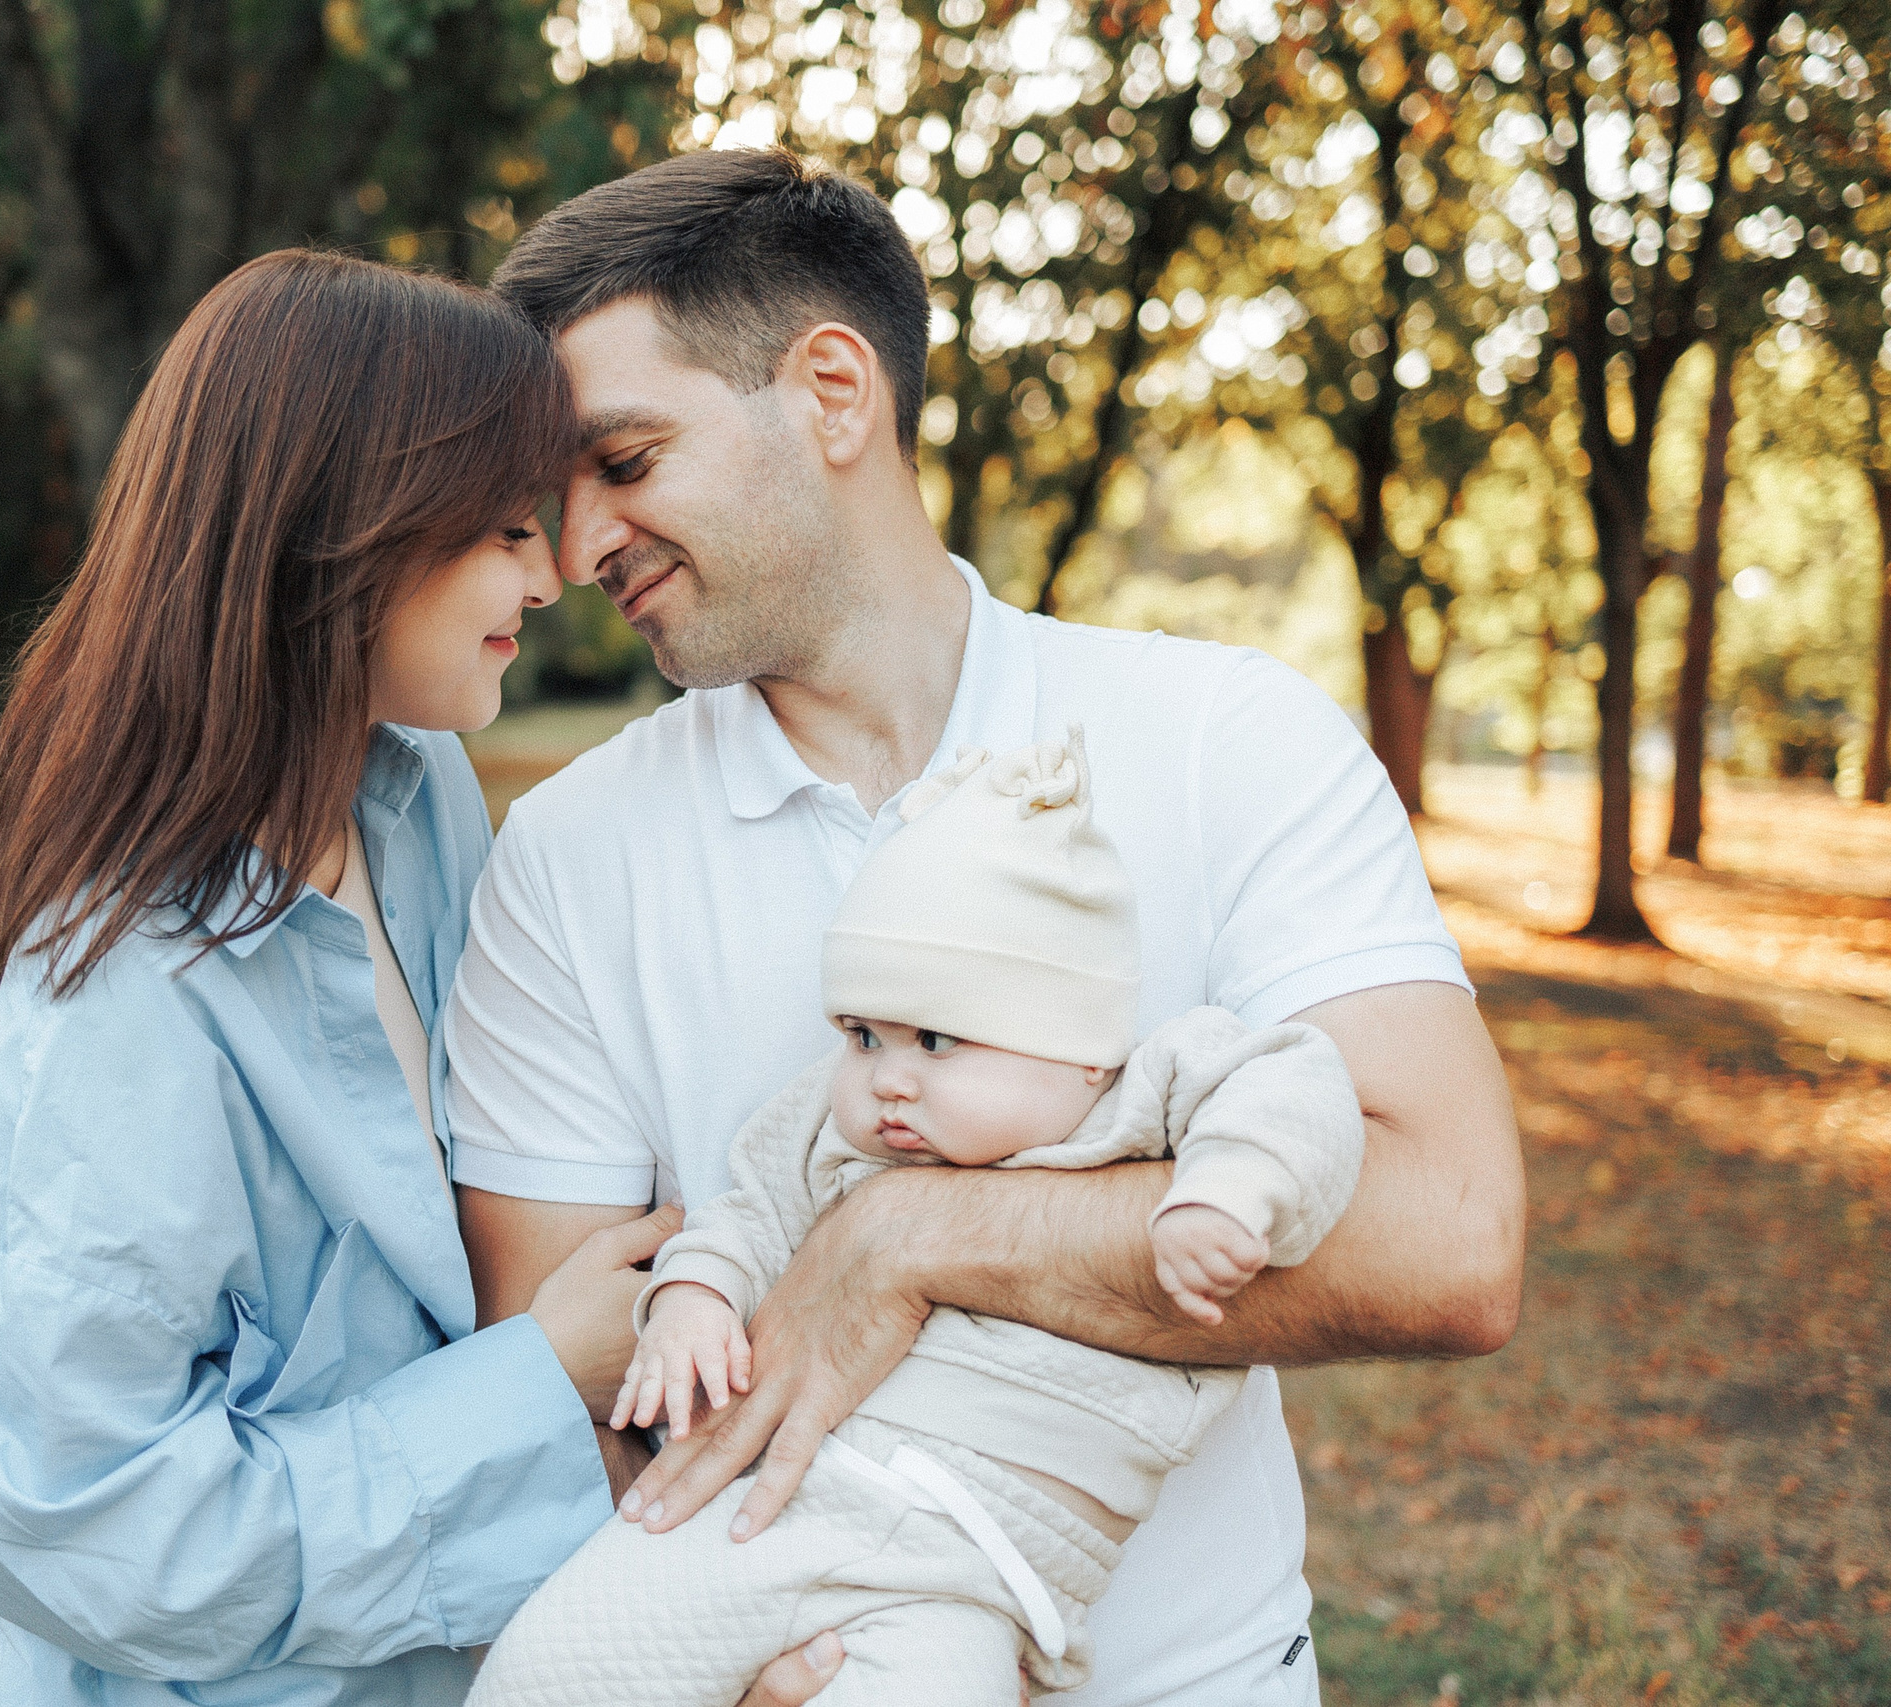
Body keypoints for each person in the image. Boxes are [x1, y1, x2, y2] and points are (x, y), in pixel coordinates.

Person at [447, 149, 1525, 1706]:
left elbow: (1454, 1237)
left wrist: (912, 1234)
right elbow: (574, 1370)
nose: (576, 541)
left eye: (623, 457)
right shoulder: (564, 854)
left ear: (832, 392)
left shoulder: (1228, 734)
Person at [0, 250, 843, 1707]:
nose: (549, 572)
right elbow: (90, 1525)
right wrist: (536, 1391)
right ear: (342, 530)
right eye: (500, 526)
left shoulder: (420, 803)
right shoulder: (120, 993)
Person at [464, 731, 1365, 1704]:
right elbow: (741, 1218)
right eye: (860, 1034)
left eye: (936, 1039)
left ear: (1079, 1050)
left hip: (977, 1574)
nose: (887, 1079)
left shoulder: (1146, 1101)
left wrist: (1225, 1190)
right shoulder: (833, 1132)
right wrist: (689, 1298)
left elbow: (1297, 1082)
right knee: (547, 1670)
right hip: (770, 1510)